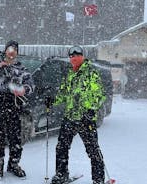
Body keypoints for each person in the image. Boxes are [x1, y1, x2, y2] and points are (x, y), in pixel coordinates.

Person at [50, 46, 106, 184]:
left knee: (93, 150)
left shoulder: (91, 72)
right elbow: (64, 94)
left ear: (82, 56)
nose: (74, 58)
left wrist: (91, 110)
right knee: (62, 146)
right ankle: (61, 174)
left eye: (77, 55)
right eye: (71, 56)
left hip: (85, 118)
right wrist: (52, 100)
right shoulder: (70, 74)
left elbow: (99, 94)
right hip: (70, 117)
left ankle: (98, 179)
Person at [0, 40, 34, 179]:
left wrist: (24, 89)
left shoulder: (21, 68)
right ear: (5, 51)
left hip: (14, 106)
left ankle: (14, 164)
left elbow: (31, 85)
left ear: (17, 52)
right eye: (9, 49)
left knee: (15, 138)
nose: (12, 52)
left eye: (14, 49)